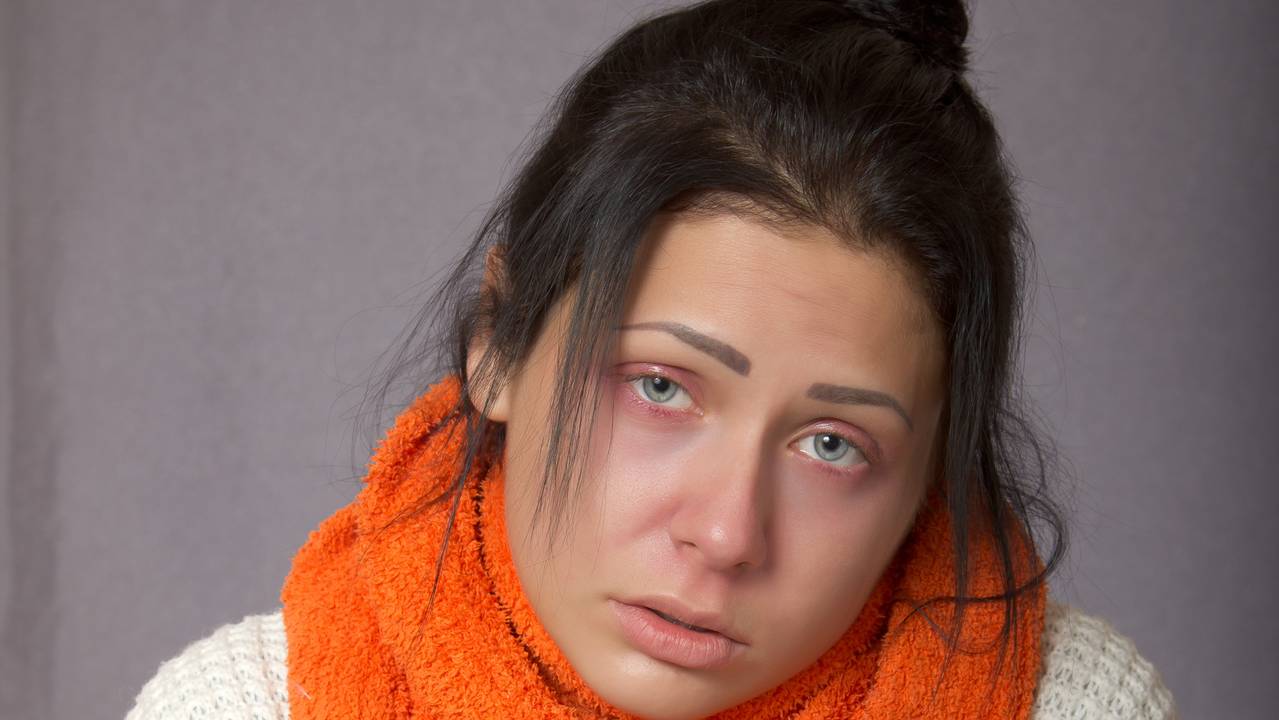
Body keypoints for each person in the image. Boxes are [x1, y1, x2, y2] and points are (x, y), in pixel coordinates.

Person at [127, 1, 1177, 718]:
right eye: (661, 387)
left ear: (927, 474)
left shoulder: (1071, 705)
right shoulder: (244, 707)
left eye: (832, 444)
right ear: (498, 341)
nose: (724, 535)